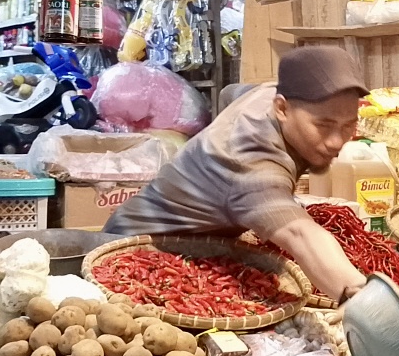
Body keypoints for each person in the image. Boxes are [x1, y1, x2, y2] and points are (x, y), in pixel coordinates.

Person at [104, 46, 369, 302]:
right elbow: (299, 234)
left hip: (201, 249)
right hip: (136, 253)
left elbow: (232, 93)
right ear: (282, 109)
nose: (336, 141)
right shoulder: (249, 162)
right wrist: (361, 298)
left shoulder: (272, 95)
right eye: (323, 125)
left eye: (348, 126)